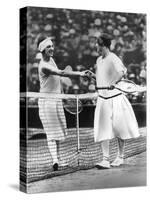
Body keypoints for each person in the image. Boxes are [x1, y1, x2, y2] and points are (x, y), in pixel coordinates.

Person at [37, 36, 89, 171]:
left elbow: (57, 79)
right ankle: (55, 160)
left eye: (52, 46)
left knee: (58, 133)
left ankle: (58, 160)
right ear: (42, 50)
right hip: (46, 103)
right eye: (48, 47)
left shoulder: (51, 59)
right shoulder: (44, 65)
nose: (52, 48)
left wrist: (63, 95)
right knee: (51, 133)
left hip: (57, 100)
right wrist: (81, 73)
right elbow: (61, 73)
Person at [90, 33, 140, 169]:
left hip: (116, 99)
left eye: (98, 44)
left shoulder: (113, 58)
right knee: (102, 129)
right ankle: (105, 159)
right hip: (103, 99)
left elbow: (121, 72)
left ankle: (120, 157)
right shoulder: (99, 60)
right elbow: (103, 77)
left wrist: (113, 82)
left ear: (104, 46)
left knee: (120, 129)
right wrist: (93, 77)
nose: (95, 46)